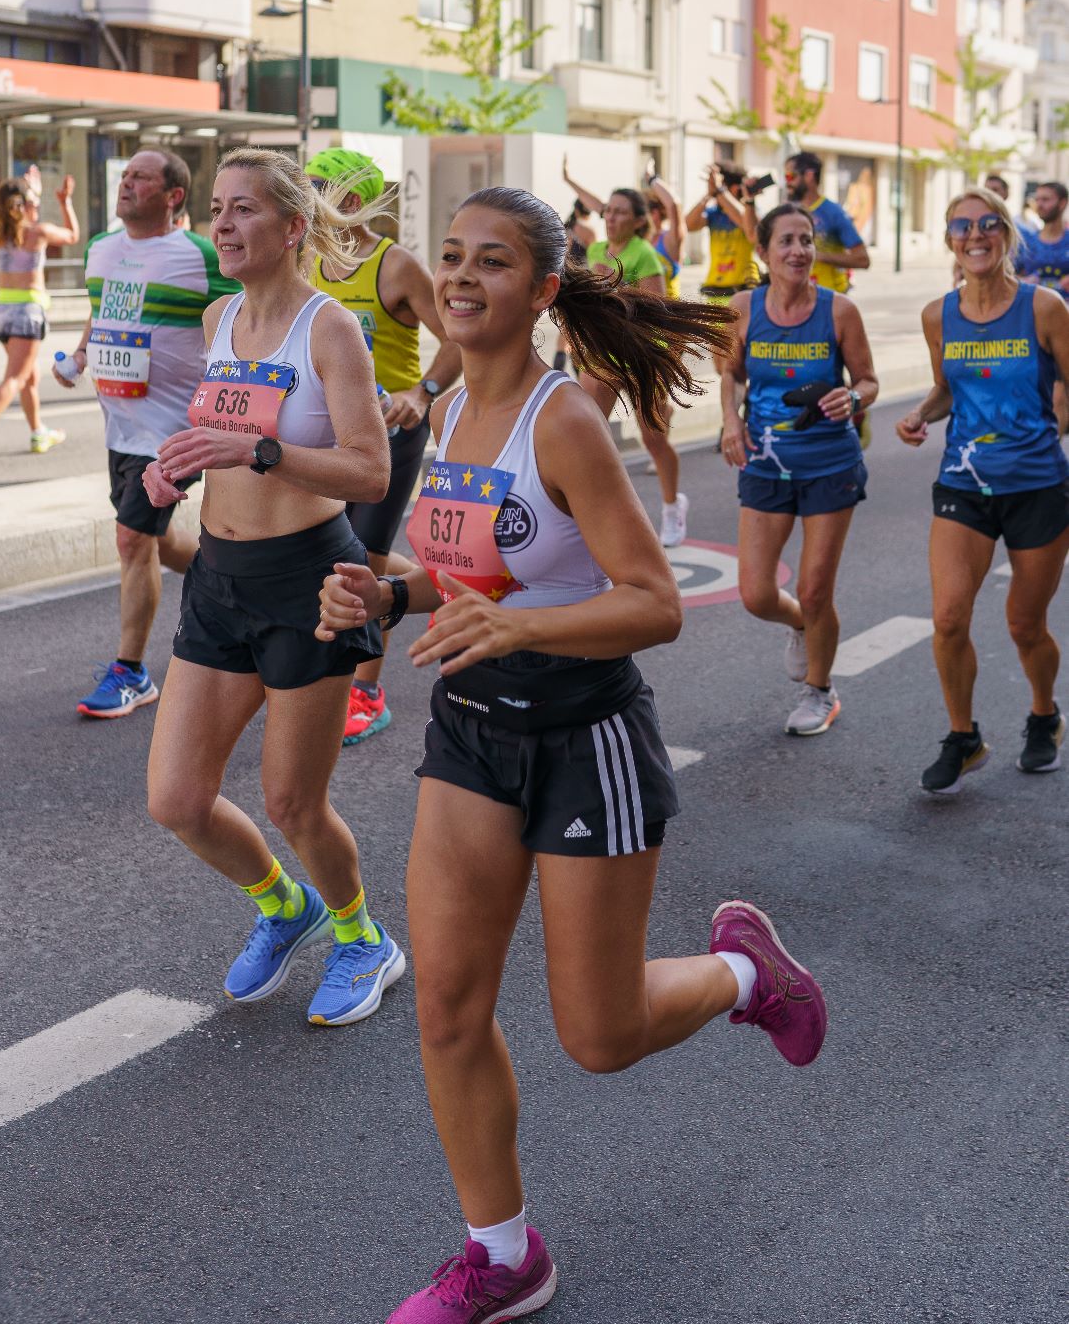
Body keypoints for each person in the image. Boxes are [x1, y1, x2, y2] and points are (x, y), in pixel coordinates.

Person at [314, 185, 828, 1323]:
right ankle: (502, 1254)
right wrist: (385, 591)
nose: (458, 277)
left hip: (582, 734)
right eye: (449, 256)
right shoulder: (442, 412)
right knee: (445, 1003)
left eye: (489, 262)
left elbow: (654, 604)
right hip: (469, 733)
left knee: (597, 1036)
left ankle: (749, 973)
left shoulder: (563, 421)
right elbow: (457, 578)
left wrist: (522, 625)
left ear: (541, 290)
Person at [143, 147, 404, 1026]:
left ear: (293, 227)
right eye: (217, 207)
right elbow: (217, 436)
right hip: (220, 580)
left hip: (309, 583)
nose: (222, 223)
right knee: (177, 798)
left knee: (295, 801)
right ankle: (281, 906)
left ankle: (364, 937)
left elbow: (370, 471)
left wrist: (260, 453)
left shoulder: (328, 329)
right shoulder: (219, 320)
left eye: (244, 208)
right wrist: (173, 467)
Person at [895, 187, 1069, 795]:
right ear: (950, 239)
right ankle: (962, 737)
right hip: (964, 485)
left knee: (1025, 623)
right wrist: (921, 412)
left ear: (1006, 235)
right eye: (962, 225)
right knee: (947, 617)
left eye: (988, 223)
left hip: (1038, 485)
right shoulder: (938, 315)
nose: (975, 234)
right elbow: (946, 389)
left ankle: (1045, 714)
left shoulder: (1045, 308)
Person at [54, 148, 238, 719]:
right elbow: (102, 309)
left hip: (173, 430)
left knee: (132, 540)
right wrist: (81, 353)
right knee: (150, 539)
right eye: (125, 176)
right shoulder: (100, 249)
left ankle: (131, 672)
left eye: (141, 177)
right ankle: (240, 589)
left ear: (173, 195)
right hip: (119, 424)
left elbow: (244, 314)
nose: (127, 184)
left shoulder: (199, 255)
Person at [305, 147, 462, 745]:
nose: (306, 197)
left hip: (390, 429)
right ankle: (437, 587)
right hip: (327, 432)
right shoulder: (309, 261)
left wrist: (421, 393)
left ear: (348, 199)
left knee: (364, 556)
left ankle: (367, 692)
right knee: (330, 547)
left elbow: (454, 340)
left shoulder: (396, 266)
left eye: (316, 187)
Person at [720, 202, 878, 737]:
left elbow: (869, 381)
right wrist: (729, 423)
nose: (799, 251)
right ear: (763, 253)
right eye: (786, 241)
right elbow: (731, 375)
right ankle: (801, 628)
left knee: (815, 590)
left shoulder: (839, 311)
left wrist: (852, 398)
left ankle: (820, 689)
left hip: (829, 464)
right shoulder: (744, 307)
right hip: (763, 462)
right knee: (757, 594)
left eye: (806, 240)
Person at [583, 187, 689, 545]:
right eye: (608, 211)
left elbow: (656, 314)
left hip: (642, 354)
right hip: (603, 354)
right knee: (586, 435)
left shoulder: (645, 255)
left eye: (620, 212)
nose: (610, 217)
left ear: (639, 220)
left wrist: (612, 297)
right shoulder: (597, 250)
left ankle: (673, 506)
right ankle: (592, 515)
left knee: (653, 439)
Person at [0, 165, 78, 452]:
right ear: (25, 205)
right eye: (32, 201)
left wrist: (31, 196)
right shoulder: (37, 232)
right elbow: (72, 235)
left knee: (29, 375)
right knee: (15, 379)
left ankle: (38, 432)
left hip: (2, 313)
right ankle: (37, 431)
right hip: (27, 314)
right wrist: (64, 201)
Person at [783, 151, 870, 294]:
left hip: (828, 300)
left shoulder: (833, 212)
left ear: (809, 176)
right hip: (794, 300)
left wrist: (816, 255)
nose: (787, 183)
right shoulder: (786, 211)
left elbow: (862, 259)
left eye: (790, 176)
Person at [685, 164, 760, 298]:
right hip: (715, 289)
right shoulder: (714, 213)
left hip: (743, 290)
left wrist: (719, 191)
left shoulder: (750, 211)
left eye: (722, 186)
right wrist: (709, 195)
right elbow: (688, 225)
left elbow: (746, 223)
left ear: (734, 189)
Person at [1016, 181, 1069, 293]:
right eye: (1037, 199)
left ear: (1062, 203)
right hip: (1032, 308)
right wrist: (1023, 282)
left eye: (1045, 199)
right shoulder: (1026, 242)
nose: (1039, 205)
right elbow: (1009, 277)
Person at [645, 175, 685, 299]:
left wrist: (652, 180)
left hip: (669, 314)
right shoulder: (639, 241)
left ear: (655, 214)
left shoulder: (669, 239)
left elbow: (673, 205)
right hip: (643, 313)